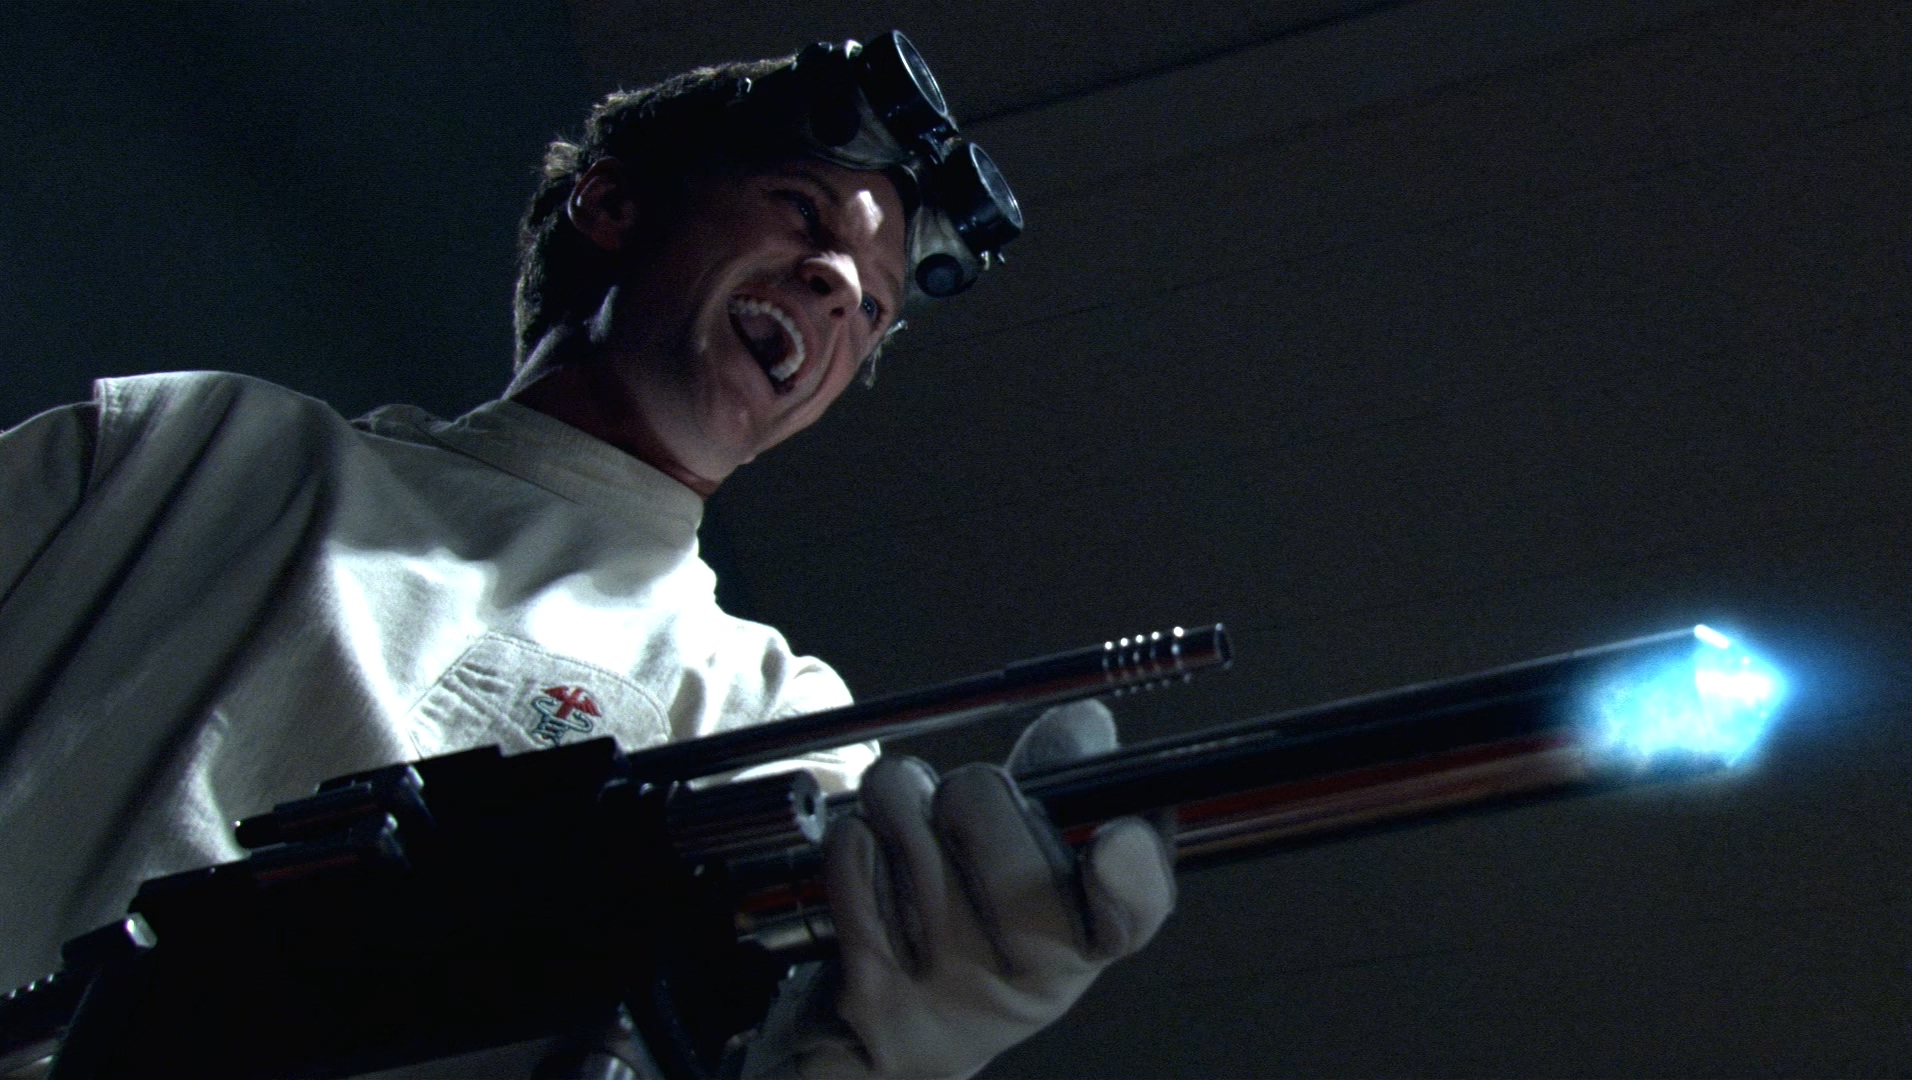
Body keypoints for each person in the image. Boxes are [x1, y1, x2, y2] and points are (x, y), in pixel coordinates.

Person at [0, 35, 1173, 1079]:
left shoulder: (770, 712)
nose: (834, 289)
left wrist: (876, 1053)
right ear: (610, 205)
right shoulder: (191, 450)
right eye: (802, 214)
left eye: (868, 307)